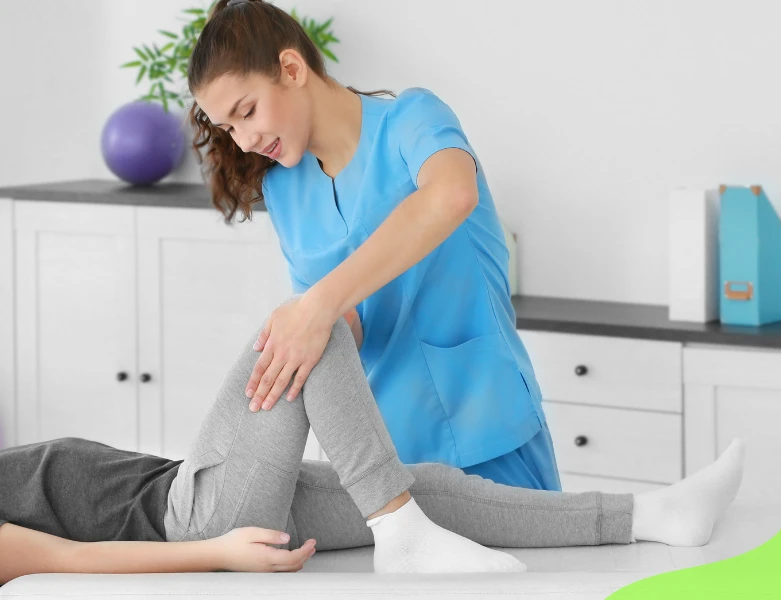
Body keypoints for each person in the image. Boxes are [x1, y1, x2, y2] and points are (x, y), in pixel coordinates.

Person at [0, 315, 745, 587]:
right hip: (195, 514)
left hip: (197, 496)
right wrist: (215, 551)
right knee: (300, 328)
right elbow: (56, 560)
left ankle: (655, 515)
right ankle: (398, 529)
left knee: (425, 483)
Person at [187, 0, 559, 490]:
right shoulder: (284, 191)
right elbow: (346, 328)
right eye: (229, 128)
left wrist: (319, 303)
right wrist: (295, 339)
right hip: (384, 460)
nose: (243, 140)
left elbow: (451, 194)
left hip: (486, 422)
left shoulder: (412, 118)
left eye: (247, 111)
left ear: (292, 67)